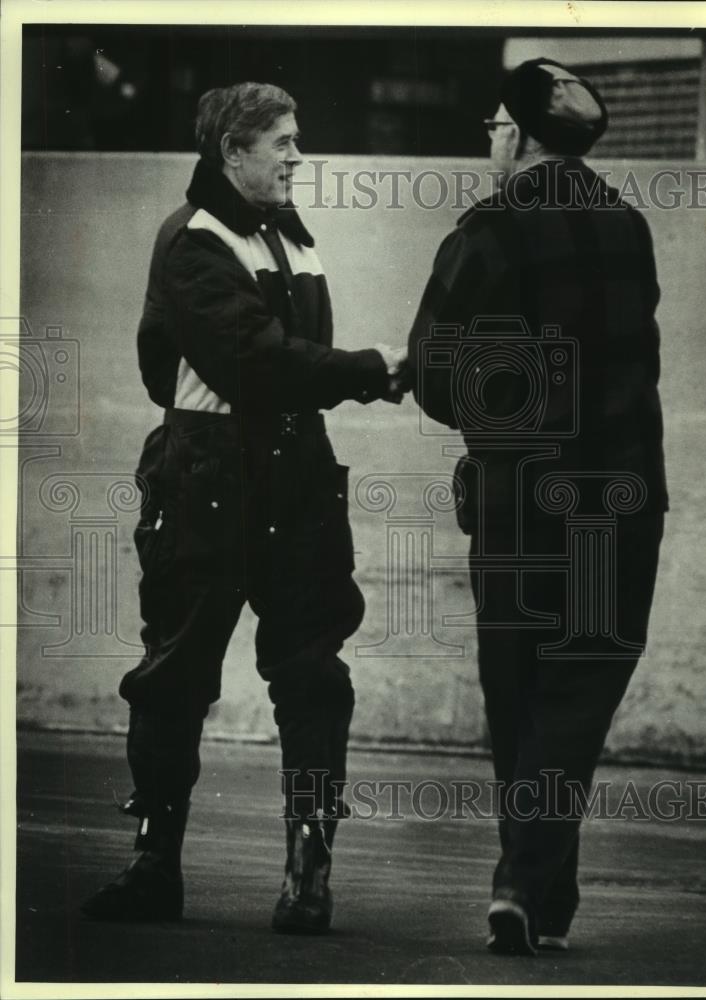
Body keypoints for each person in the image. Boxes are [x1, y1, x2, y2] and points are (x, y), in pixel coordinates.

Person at [82, 82, 409, 932]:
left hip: (292, 479)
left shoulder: (293, 240)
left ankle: (309, 877)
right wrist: (372, 368)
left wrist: (358, 375)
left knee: (312, 677)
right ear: (233, 150)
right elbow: (259, 366)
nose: (299, 156)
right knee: (174, 678)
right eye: (284, 143)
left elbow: (287, 367)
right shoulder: (196, 241)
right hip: (209, 485)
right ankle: (154, 867)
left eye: (298, 141)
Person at [407, 59, 668, 955]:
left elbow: (436, 378)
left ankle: (523, 880)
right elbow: (640, 371)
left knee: (519, 694)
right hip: (615, 507)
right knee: (578, 688)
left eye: (492, 124)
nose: (489, 137)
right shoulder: (629, 227)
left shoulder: (487, 230)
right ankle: (541, 894)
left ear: (517, 136)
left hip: (518, 502)